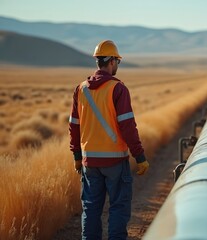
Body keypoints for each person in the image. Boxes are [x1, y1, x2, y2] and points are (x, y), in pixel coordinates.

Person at [69, 40, 149, 240]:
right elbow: (127, 126)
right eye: (117, 62)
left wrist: (77, 156)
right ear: (112, 61)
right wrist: (139, 156)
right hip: (115, 162)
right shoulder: (118, 88)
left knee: (91, 210)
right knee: (118, 209)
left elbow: (74, 126)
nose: (117, 66)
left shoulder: (80, 89)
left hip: (89, 164)